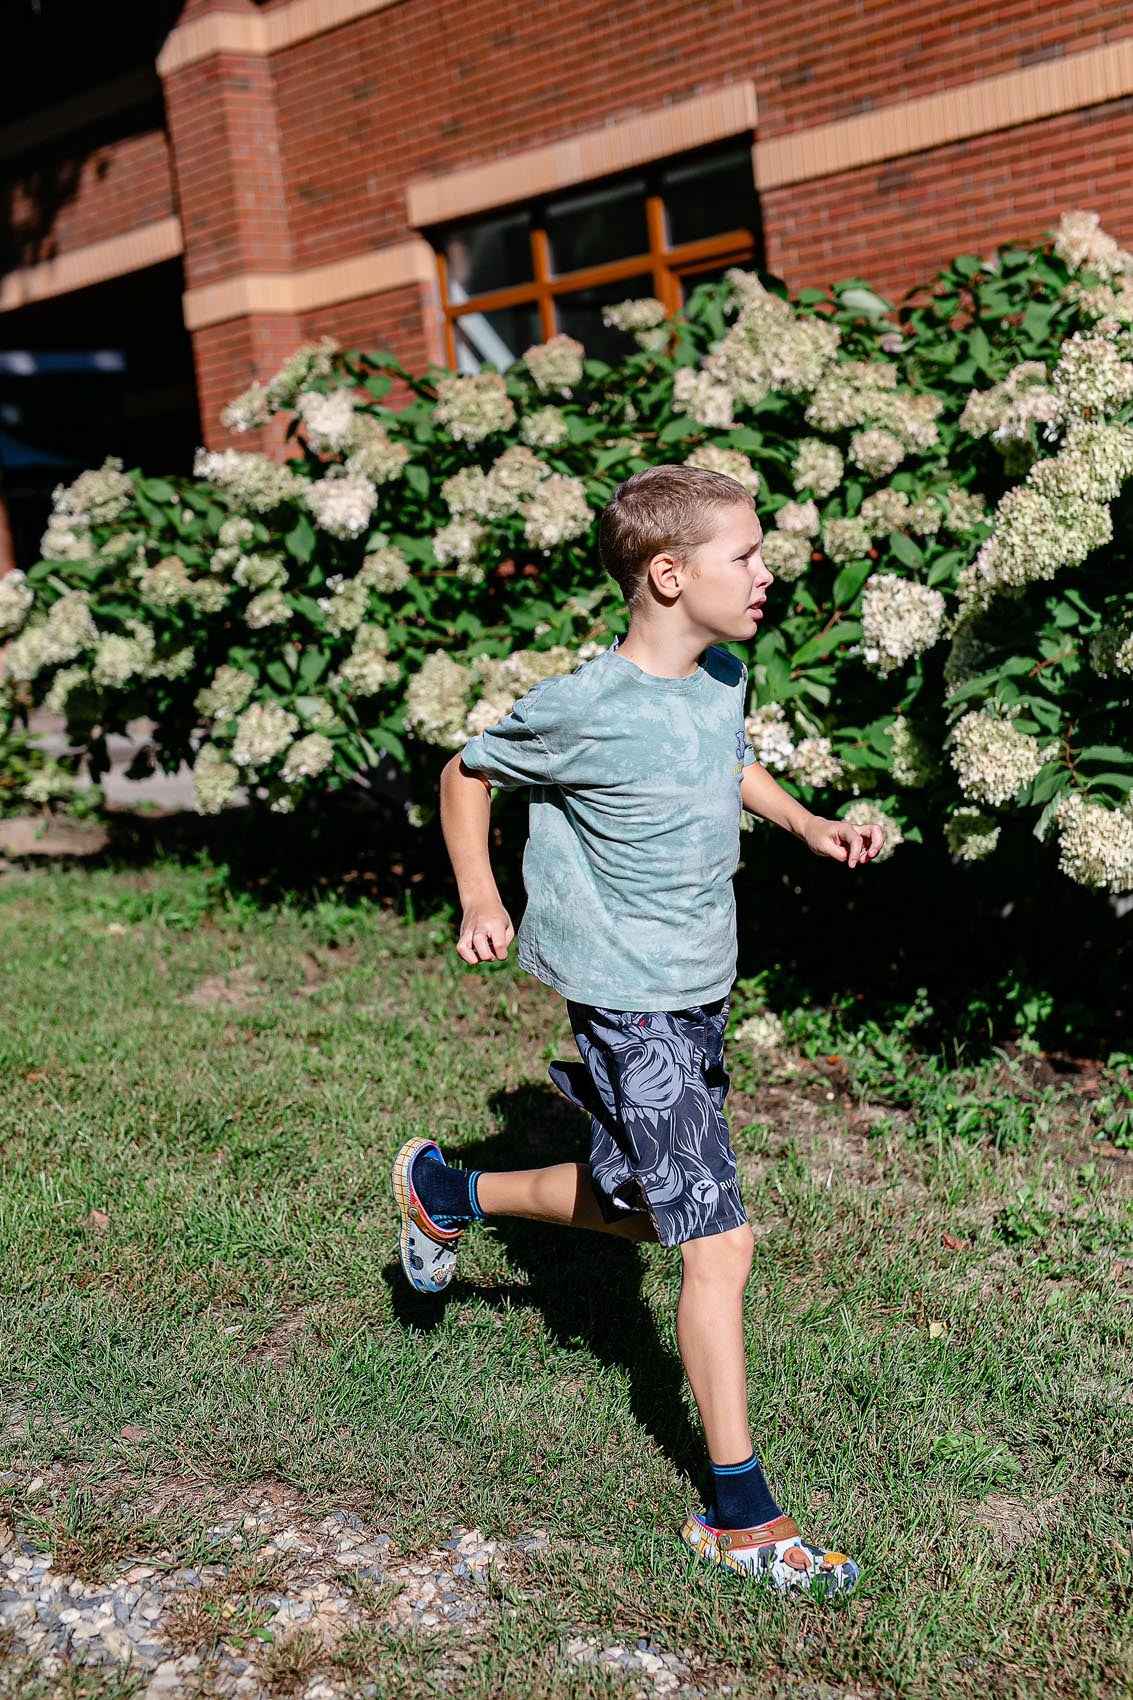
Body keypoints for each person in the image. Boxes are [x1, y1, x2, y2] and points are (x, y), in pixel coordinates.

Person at [393, 464, 882, 1595]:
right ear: (668, 574)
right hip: (628, 992)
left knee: (640, 1204)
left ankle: (447, 1192)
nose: (766, 573)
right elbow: (463, 773)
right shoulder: (583, 704)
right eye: (744, 557)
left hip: (698, 979)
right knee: (717, 1237)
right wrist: (479, 894)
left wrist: (803, 821)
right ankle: (739, 1514)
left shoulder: (718, 673)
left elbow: (723, 759)